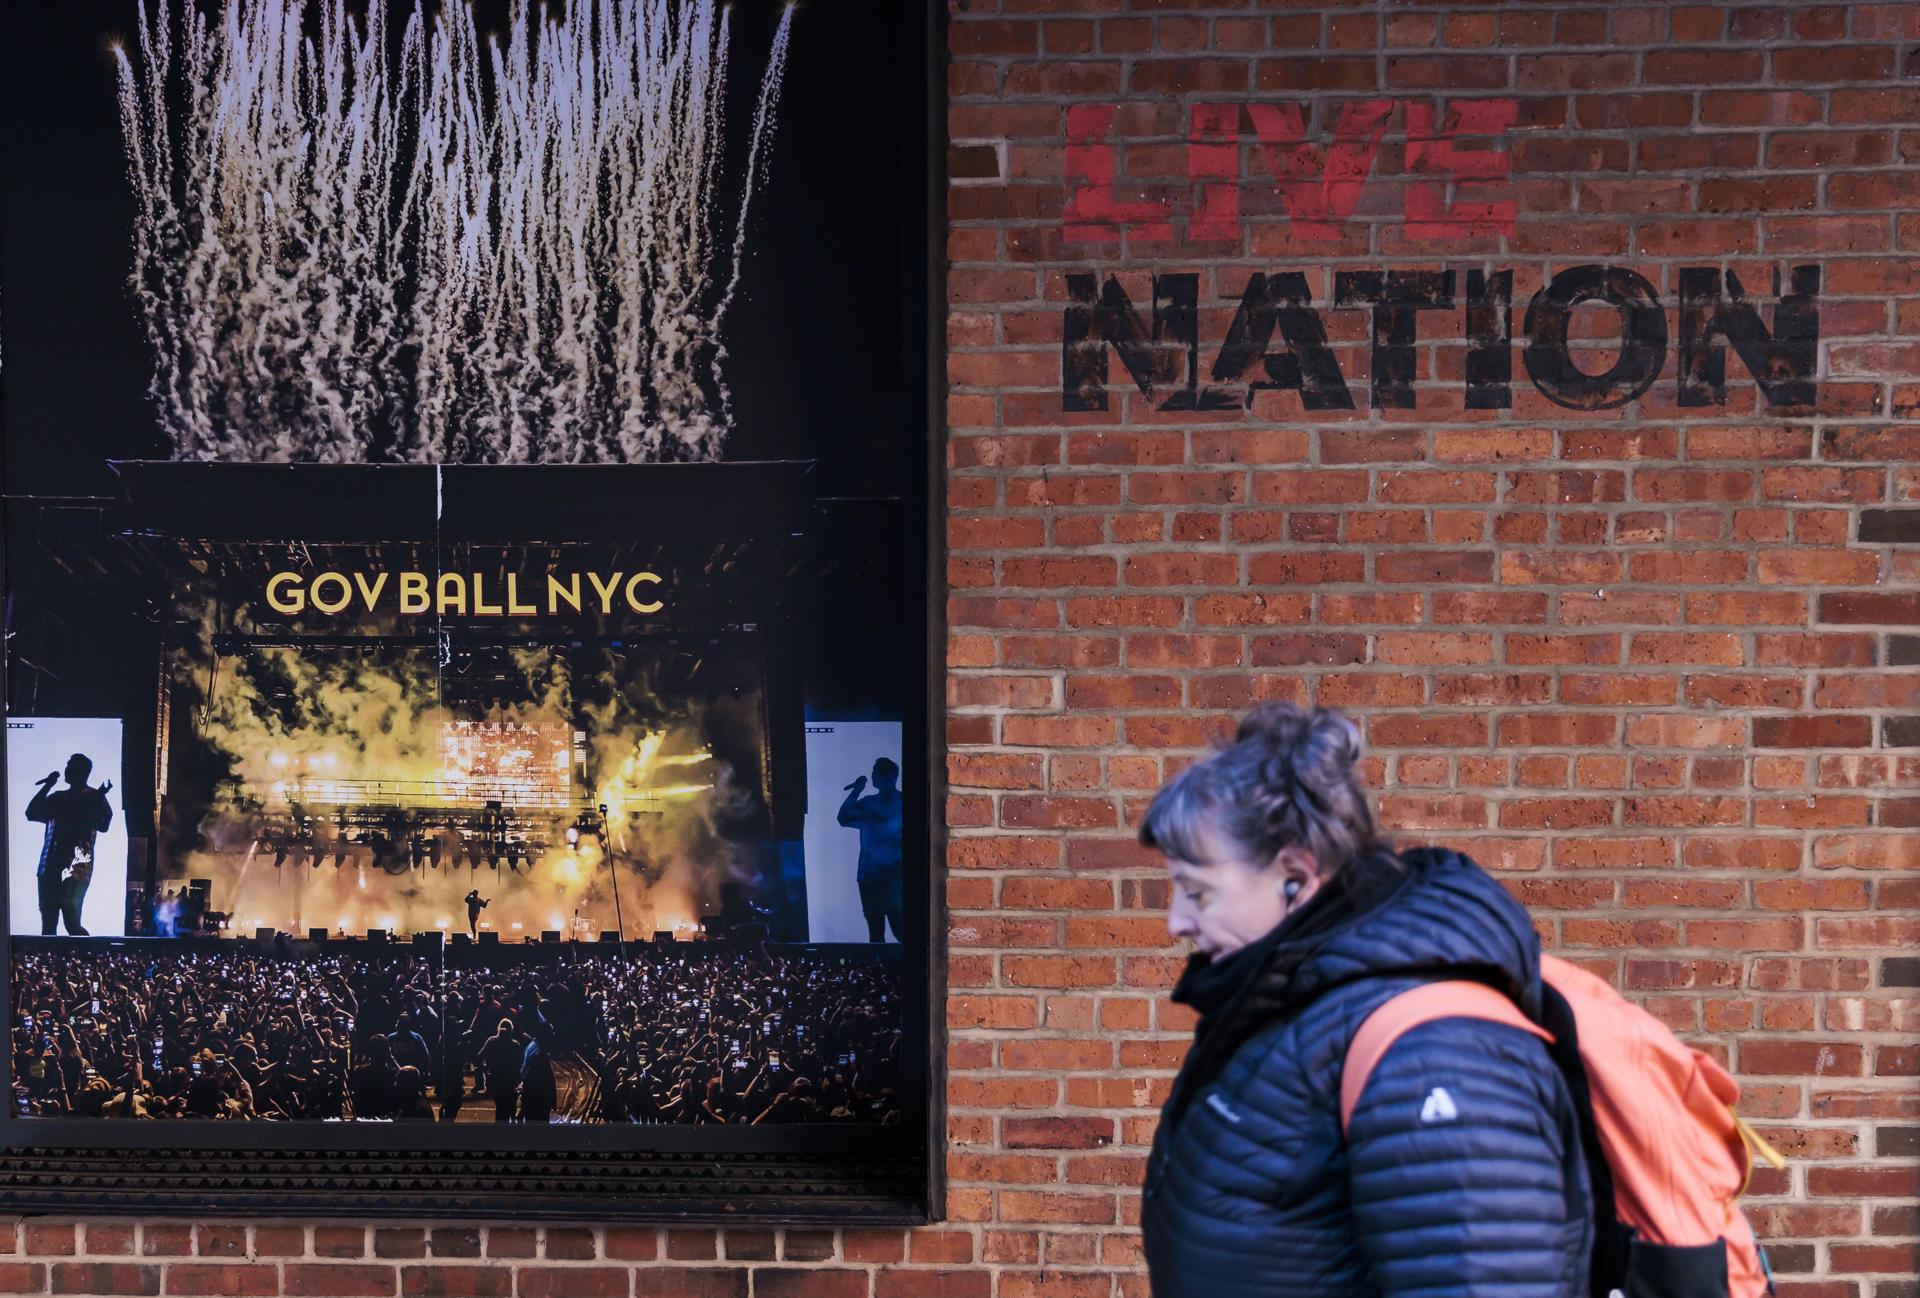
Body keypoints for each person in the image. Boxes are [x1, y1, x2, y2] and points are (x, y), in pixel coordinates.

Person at [1136, 702, 1591, 1298]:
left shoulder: (1432, 1053)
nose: (1176, 922)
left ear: (1294, 875)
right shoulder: (1291, 999)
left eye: (1198, 893)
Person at [24, 754, 114, 936]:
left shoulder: (92, 797)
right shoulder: (59, 797)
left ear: (81, 772)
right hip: (49, 867)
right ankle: (53, 962)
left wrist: (99, 797)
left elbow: (104, 823)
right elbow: (31, 812)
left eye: (70, 766)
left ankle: (86, 959)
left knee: (71, 922)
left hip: (76, 869)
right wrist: (48, 786)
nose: (66, 770)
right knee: (48, 924)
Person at [836, 758, 904, 943]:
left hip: (892, 876)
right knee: (877, 931)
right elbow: (843, 818)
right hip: (872, 876)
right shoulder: (870, 803)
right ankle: (881, 970)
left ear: (889, 776)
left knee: (898, 927)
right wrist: (857, 790)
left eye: (877, 772)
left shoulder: (899, 803)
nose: (872, 775)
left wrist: (857, 790)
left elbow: (844, 817)